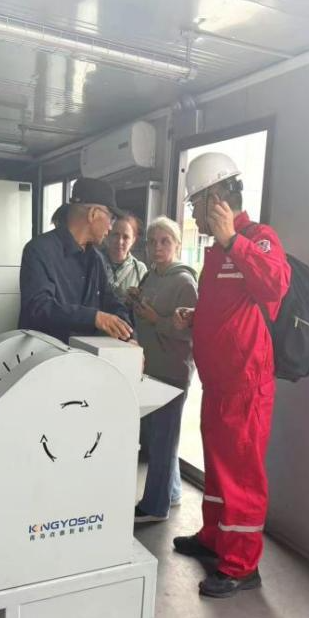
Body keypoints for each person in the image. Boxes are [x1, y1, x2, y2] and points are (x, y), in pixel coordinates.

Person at [172, 152, 290, 598]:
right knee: (220, 472)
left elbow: (275, 285)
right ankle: (214, 539)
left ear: (216, 198)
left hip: (246, 386)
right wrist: (194, 317)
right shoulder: (217, 251)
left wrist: (233, 241)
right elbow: (227, 310)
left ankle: (241, 565)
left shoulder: (257, 239)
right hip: (219, 385)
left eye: (195, 205)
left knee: (241, 477)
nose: (194, 215)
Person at [131, 217, 198, 523]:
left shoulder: (184, 282)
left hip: (173, 370)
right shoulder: (150, 276)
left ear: (177, 245)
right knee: (161, 437)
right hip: (152, 366)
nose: (157, 248)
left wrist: (156, 319)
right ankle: (172, 492)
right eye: (152, 242)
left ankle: (155, 507)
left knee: (163, 441)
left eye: (165, 242)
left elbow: (191, 331)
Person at [18, 178, 133, 343]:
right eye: (112, 218)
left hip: (82, 354)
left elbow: (110, 301)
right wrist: (94, 317)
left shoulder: (96, 259)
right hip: (43, 353)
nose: (110, 227)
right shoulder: (39, 250)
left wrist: (128, 336)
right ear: (93, 214)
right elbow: (38, 307)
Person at [100, 213, 147, 302]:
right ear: (108, 235)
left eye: (126, 237)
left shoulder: (140, 270)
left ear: (133, 240)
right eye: (116, 235)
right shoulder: (94, 262)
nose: (120, 241)